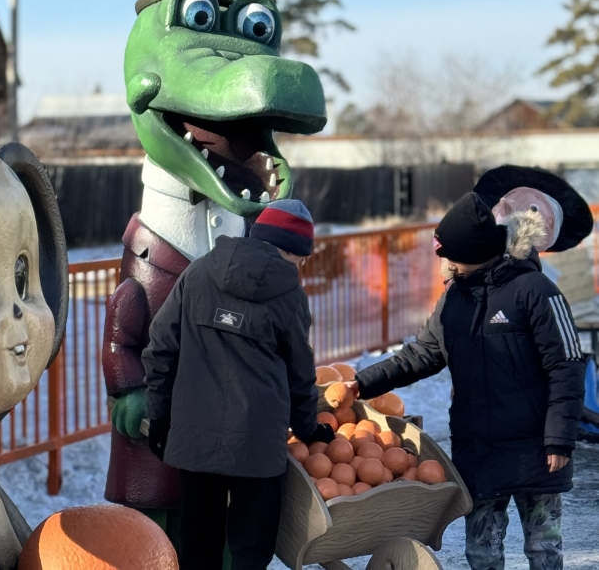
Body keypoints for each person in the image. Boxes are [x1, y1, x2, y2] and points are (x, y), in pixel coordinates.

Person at [346, 192, 587, 570]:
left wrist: (559, 438)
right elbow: (421, 355)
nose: (445, 265)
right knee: (481, 552)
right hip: (480, 448)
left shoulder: (536, 292)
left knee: (544, 550)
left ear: (474, 252)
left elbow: (567, 365)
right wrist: (363, 383)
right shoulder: (454, 300)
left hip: (537, 448)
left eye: (450, 256)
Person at [141, 199, 334, 570]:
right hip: (257, 446)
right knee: (250, 551)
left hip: (194, 438)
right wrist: (309, 428)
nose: (302, 266)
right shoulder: (290, 295)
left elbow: (160, 348)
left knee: (199, 548)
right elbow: (300, 373)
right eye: (302, 257)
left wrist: (160, 417)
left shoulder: (197, 274)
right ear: (289, 250)